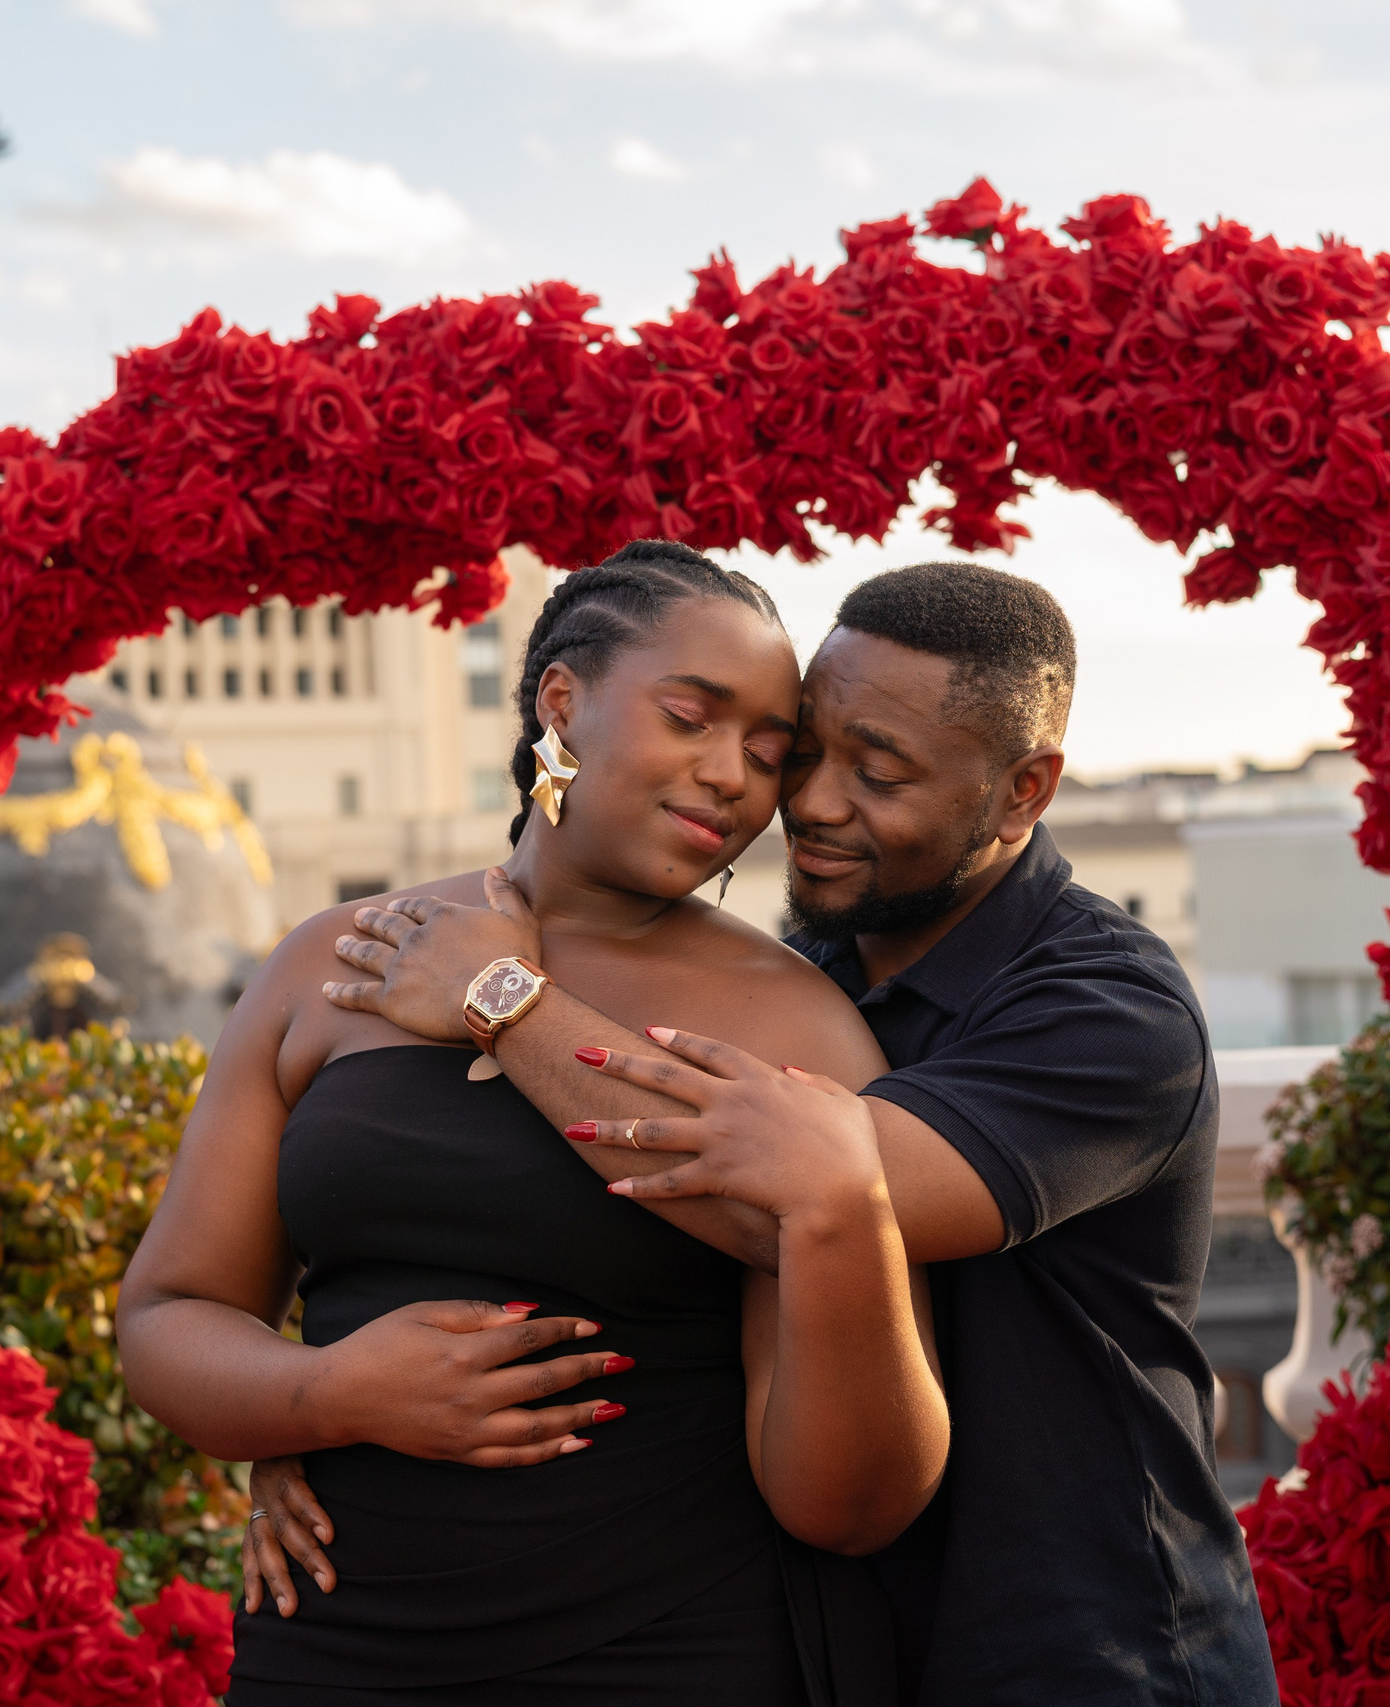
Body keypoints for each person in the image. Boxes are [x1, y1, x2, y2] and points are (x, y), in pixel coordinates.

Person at [280, 561, 1278, 1705]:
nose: (808, 803)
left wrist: (504, 1000)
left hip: (1085, 1645)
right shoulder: (815, 972)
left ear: (1022, 793)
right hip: (839, 1632)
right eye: (801, 752)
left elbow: (792, 1199)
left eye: (879, 772)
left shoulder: (1108, 1013)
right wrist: (327, 1416)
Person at [116, 541, 946, 1706]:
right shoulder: (335, 959)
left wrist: (842, 1212)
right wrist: (328, 1394)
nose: (732, 776)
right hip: (338, 1644)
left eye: (767, 753)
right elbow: (170, 1314)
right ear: (562, 699)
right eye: (691, 718)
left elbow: (852, 1503)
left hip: (669, 1649)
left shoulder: (797, 1025)